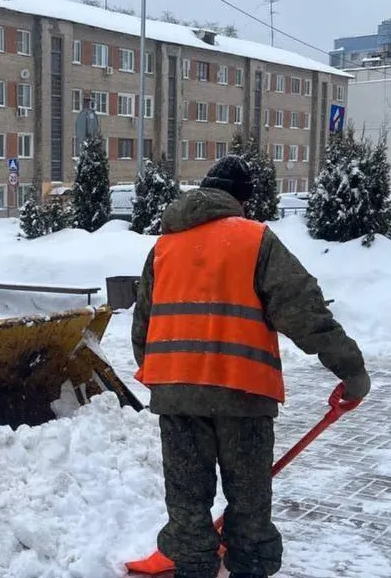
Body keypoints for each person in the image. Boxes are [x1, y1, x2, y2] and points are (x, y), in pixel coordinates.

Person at [131, 155, 371, 578]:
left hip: (176, 396)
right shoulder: (254, 239)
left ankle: (193, 568)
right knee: (248, 502)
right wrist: (349, 368)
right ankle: (248, 568)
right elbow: (303, 310)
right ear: (242, 201)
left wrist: (167, 378)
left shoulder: (164, 245)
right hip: (242, 394)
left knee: (187, 501)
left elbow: (143, 326)